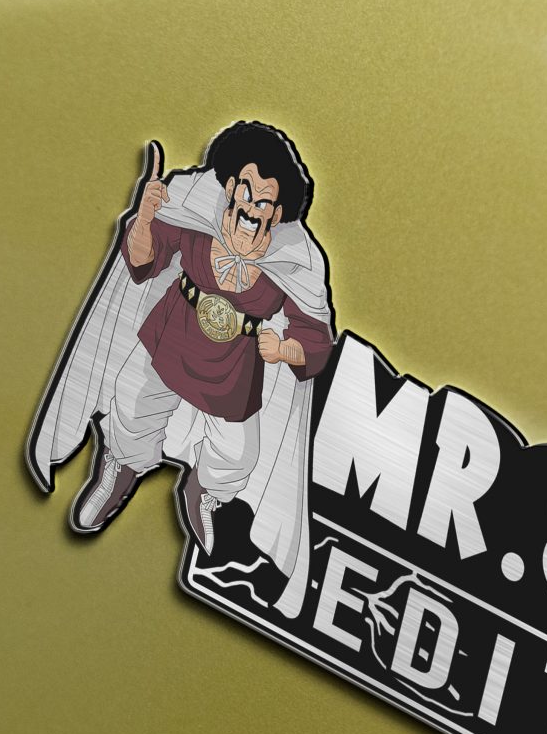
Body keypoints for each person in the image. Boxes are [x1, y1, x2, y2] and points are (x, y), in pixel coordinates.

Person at [26, 121, 334, 616]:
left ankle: (202, 494)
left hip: (233, 369)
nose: (251, 209)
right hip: (170, 337)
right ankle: (120, 470)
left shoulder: (294, 260)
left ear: (277, 214)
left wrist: (285, 350)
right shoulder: (194, 205)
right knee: (131, 409)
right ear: (229, 186)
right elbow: (143, 262)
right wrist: (145, 215)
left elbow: (315, 339)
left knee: (238, 456)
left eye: (264, 203)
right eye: (245, 191)